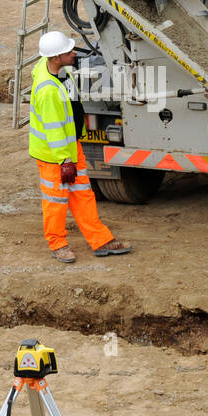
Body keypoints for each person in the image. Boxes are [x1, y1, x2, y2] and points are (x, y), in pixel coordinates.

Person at [29, 30, 131, 263]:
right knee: (56, 201)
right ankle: (57, 245)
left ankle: (100, 240)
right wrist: (65, 160)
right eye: (68, 51)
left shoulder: (62, 71)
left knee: (83, 195)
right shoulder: (48, 90)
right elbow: (54, 130)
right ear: (56, 58)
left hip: (72, 148)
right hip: (55, 156)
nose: (74, 53)